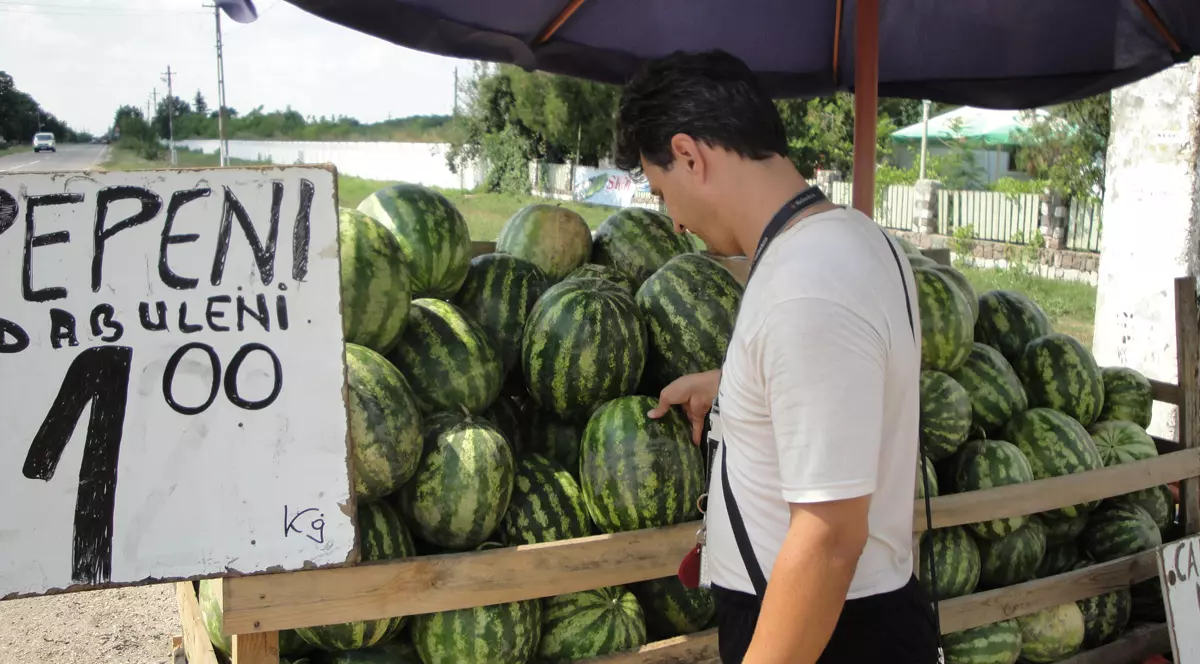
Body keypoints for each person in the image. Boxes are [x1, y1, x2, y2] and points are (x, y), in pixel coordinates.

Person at [614, 49, 940, 663]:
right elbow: (852, 381)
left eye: (662, 192)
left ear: (690, 155)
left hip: (824, 634)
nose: (674, 222)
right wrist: (740, 390)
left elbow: (828, 540)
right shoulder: (855, 239)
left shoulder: (808, 284)